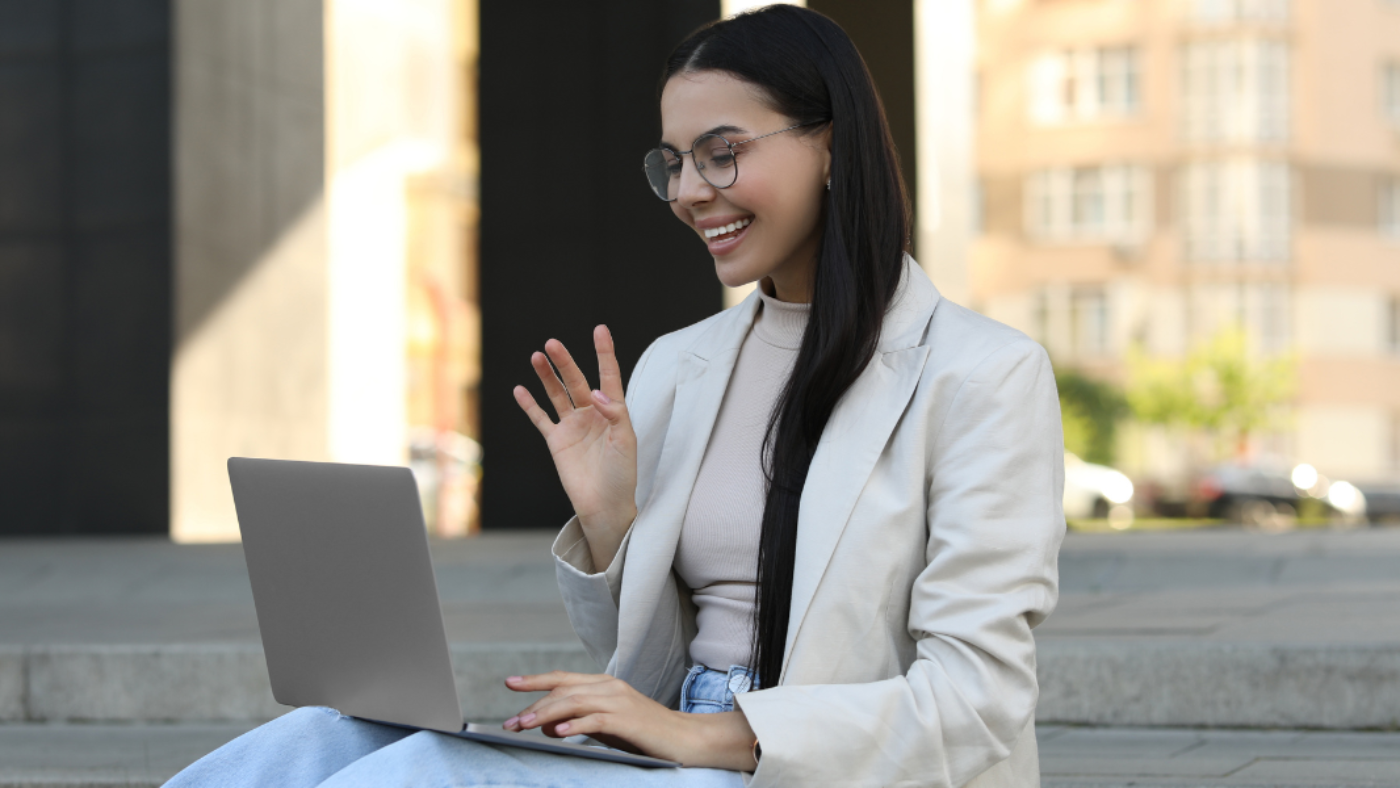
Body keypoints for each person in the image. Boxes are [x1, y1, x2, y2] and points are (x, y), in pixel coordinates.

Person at [163, 5, 1064, 787]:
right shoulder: (682, 364)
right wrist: (610, 523)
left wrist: (699, 734)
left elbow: (976, 701)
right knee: (325, 735)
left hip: (805, 769)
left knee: (429, 775)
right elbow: (648, 661)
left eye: (721, 155)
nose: (688, 193)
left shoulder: (981, 375)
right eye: (672, 163)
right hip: (670, 747)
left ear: (831, 146)